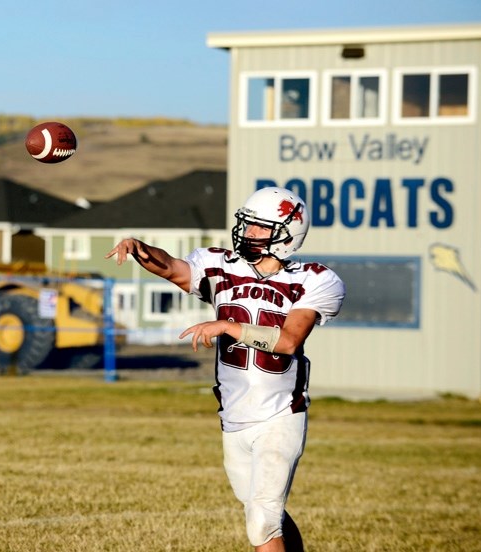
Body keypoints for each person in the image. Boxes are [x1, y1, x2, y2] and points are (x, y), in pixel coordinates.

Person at [106, 186, 345, 552]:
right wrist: (139, 248)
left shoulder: (313, 280)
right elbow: (170, 267)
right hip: (234, 414)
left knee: (262, 521)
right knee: (263, 512)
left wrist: (228, 327)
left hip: (280, 413)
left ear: (287, 232)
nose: (247, 232)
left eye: (258, 227)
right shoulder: (221, 266)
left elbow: (288, 341)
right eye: (246, 224)